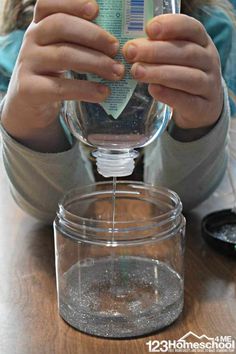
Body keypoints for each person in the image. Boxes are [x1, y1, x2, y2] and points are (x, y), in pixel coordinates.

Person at [0, 0, 234, 223]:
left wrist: (200, 123)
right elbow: (56, 209)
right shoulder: (26, 51)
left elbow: (183, 198)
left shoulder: (205, 34)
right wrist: (31, 128)